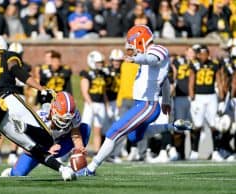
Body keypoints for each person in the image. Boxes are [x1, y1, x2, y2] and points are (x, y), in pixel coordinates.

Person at [76, 25, 192, 176]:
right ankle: (172, 126)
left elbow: (151, 59)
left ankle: (90, 169)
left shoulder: (158, 50)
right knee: (134, 137)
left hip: (147, 105)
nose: (133, 46)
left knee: (114, 132)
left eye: (133, 42)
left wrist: (136, 58)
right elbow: (165, 80)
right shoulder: (149, 57)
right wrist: (167, 101)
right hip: (142, 104)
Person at [0, 32, 75, 181]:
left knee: (32, 147)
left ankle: (63, 170)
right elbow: (18, 72)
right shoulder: (8, 56)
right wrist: (40, 88)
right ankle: (26, 128)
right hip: (9, 99)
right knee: (46, 139)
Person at [0, 91, 90, 177]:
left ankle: (75, 167)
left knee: (85, 129)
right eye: (63, 119)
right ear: (53, 111)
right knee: (17, 175)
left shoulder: (73, 116)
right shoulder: (40, 119)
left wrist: (79, 150)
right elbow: (27, 147)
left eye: (68, 119)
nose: (66, 121)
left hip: (60, 146)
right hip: (39, 149)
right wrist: (45, 151)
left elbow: (76, 135)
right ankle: (11, 172)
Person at [188, 45, 222, 161]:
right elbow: (191, 79)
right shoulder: (194, 65)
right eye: (200, 53)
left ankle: (216, 151)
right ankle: (194, 151)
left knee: (214, 124)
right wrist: (191, 93)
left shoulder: (214, 64)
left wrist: (221, 93)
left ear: (208, 54)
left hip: (211, 96)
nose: (202, 56)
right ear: (198, 55)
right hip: (198, 97)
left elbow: (218, 79)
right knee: (197, 125)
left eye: (204, 53)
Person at [80, 50, 107, 153]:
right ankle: (80, 150)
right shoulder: (86, 74)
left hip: (100, 104)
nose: (100, 64)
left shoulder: (102, 74)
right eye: (98, 62)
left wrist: (107, 106)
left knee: (98, 130)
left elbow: (104, 92)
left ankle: (97, 152)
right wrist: (91, 105)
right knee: (85, 129)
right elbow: (84, 91)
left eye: (101, 62)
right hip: (90, 104)